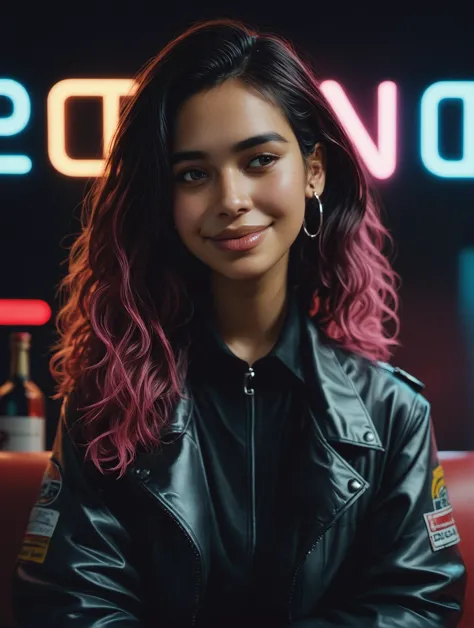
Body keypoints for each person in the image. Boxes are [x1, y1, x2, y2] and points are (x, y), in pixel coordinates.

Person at [13, 17, 466, 628]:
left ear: (313, 171)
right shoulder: (105, 404)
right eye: (193, 173)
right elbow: (70, 605)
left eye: (258, 160)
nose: (230, 198)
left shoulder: (392, 414)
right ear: (165, 200)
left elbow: (419, 603)